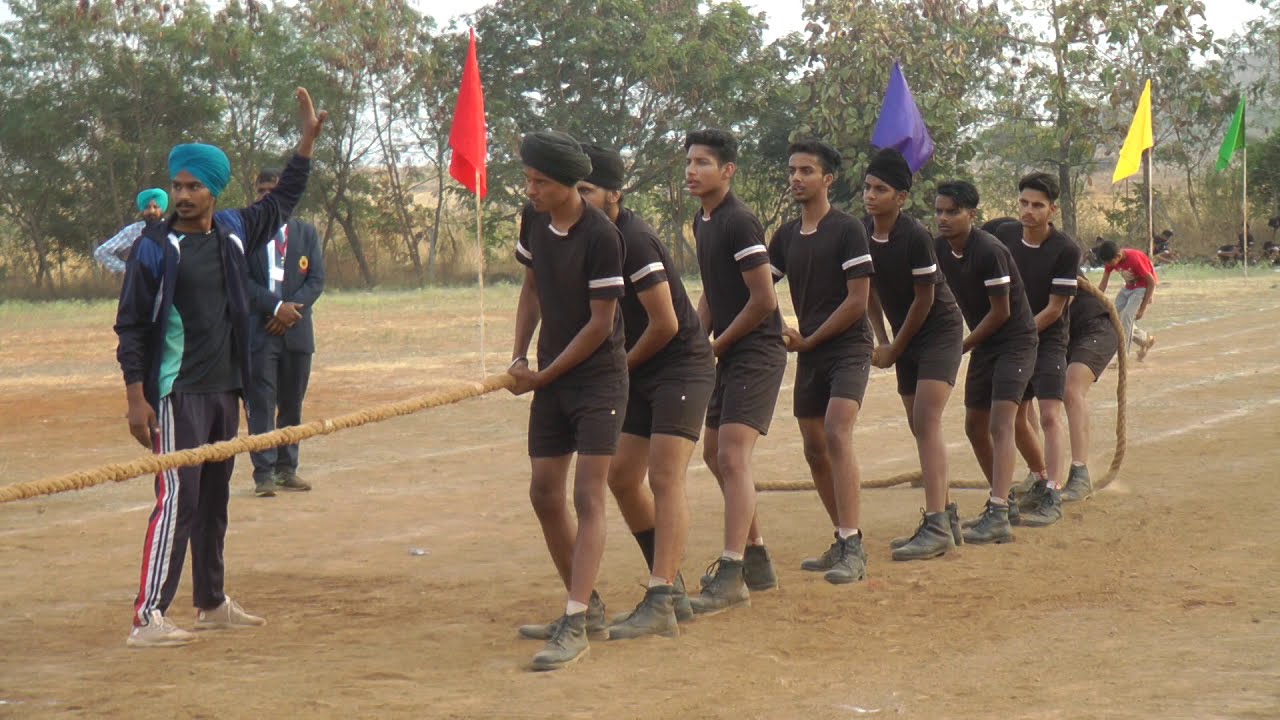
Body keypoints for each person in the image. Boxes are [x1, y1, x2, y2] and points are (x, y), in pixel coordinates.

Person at [114, 88, 326, 648]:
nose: (182, 195)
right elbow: (131, 327)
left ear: (214, 191)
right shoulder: (153, 249)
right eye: (177, 185)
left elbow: (283, 200)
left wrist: (304, 144)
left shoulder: (234, 231)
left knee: (213, 500)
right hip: (176, 392)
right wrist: (137, 399)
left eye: (193, 186)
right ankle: (148, 617)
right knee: (176, 502)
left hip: (224, 390)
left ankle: (209, 602)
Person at [575, 143, 713, 639]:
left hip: (680, 365)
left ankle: (659, 599)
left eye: (586, 189)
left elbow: (666, 324)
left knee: (664, 476)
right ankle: (671, 585)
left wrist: (617, 370)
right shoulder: (589, 240)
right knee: (620, 476)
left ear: (615, 192)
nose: (578, 198)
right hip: (638, 368)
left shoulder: (633, 240)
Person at [508, 131, 628, 671]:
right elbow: (531, 289)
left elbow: (601, 325)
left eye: (541, 182)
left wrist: (546, 374)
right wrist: (519, 359)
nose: (530, 189)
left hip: (597, 379)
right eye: (528, 179)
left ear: (570, 186)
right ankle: (590, 605)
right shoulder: (533, 221)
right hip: (552, 378)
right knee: (543, 492)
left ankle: (575, 620)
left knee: (588, 495)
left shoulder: (602, 235)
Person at [685, 128, 785, 614]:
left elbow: (764, 300)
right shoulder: (703, 220)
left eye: (703, 162)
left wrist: (716, 345)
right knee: (712, 453)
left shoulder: (739, 221)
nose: (692, 170)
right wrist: (696, 339)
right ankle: (758, 556)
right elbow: (712, 289)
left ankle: (732, 572)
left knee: (731, 455)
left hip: (758, 351)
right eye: (689, 162)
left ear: (727, 171)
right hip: (729, 351)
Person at [767, 139, 872, 584]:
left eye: (806, 171)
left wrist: (809, 338)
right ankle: (840, 535)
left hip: (847, 347)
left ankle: (853, 545)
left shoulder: (848, 230)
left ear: (827, 179)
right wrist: (781, 328)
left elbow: (858, 302)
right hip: (809, 349)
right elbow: (757, 290)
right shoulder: (785, 237)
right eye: (792, 170)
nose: (796, 178)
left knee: (835, 431)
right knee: (814, 447)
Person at [860, 148, 964, 561]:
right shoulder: (861, 234)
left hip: (937, 332)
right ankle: (948, 515)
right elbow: (867, 289)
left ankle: (936, 524)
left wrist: (895, 348)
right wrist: (881, 339)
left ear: (901, 197)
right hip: (903, 334)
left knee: (926, 420)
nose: (870, 196)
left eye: (880, 189)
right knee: (918, 425)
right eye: (867, 187)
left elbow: (925, 300)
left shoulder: (915, 236)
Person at [934, 181, 1037, 545]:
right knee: (974, 425)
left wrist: (960, 346)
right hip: (985, 344)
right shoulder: (940, 250)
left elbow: (1001, 312)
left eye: (953, 212)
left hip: (1015, 341)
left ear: (971, 215)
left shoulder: (989, 250)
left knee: (1001, 423)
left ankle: (998, 514)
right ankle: (1005, 501)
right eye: (939, 211)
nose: (944, 219)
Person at [992, 172, 1081, 528]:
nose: (1028, 211)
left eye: (1038, 205)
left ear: (1052, 210)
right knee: (1013, 416)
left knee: (1048, 416)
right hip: (1013, 340)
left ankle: (1052, 494)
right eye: (1024, 203)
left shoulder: (1066, 250)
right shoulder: (1004, 237)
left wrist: (1019, 331)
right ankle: (1038, 473)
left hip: (1048, 341)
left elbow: (1056, 308)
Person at [243, 169, 326, 497]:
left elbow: (316, 280)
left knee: (292, 403)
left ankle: (286, 469)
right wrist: (275, 308)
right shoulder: (246, 234)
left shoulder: (305, 233)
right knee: (261, 403)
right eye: (261, 190)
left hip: (297, 333)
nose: (267, 196)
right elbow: (241, 282)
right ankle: (263, 474)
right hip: (260, 332)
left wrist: (290, 312)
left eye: (273, 190)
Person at [1059, 270, 1119, 502]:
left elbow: (1061, 301)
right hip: (1062, 335)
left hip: (1094, 328)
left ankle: (1080, 474)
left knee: (1071, 389)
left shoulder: (1055, 249)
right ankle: (1039, 473)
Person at [1096, 240, 1157, 361]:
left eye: (1109, 262)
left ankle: (1123, 357)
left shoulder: (1134, 259)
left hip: (1142, 287)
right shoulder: (1111, 260)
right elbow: (1103, 283)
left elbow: (1151, 282)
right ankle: (1145, 339)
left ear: (1118, 256)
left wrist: (1142, 309)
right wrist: (1095, 299)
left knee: (1127, 317)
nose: (1108, 265)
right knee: (1114, 316)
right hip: (1128, 288)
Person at [94, 189, 168, 273]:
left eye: (156, 207)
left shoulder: (173, 230)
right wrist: (127, 269)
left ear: (162, 209)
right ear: (142, 210)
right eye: (147, 207)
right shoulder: (133, 230)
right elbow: (101, 252)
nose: (151, 211)